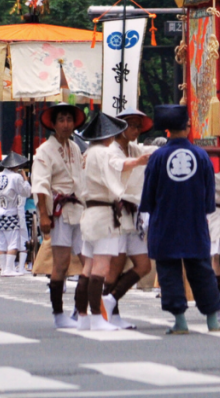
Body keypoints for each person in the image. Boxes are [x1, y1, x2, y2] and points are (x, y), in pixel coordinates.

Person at [140, 104, 220, 335]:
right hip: (194, 222)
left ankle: (180, 321)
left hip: (165, 223)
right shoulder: (201, 155)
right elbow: (209, 195)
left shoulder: (157, 157)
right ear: (187, 127)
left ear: (167, 130)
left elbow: (148, 196)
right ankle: (212, 321)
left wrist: (150, 211)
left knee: (169, 270)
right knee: (202, 270)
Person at [76, 111, 142, 331]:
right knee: (100, 268)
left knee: (87, 268)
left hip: (89, 213)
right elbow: (115, 176)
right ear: (108, 136)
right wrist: (137, 165)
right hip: (103, 214)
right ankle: (96, 317)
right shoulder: (103, 153)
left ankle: (84, 317)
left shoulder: (86, 153)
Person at [31, 102, 87, 327]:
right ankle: (58, 314)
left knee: (90, 262)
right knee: (61, 265)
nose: (66, 125)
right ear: (53, 125)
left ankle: (79, 310)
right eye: (61, 120)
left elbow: (81, 181)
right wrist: (44, 215)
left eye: (69, 120)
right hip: (60, 212)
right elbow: (40, 185)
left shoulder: (75, 147)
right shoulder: (44, 151)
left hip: (80, 210)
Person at [103, 107, 154, 330]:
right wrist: (138, 162)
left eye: (137, 125)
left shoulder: (135, 148)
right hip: (117, 212)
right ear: (120, 127)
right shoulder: (111, 150)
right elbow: (118, 164)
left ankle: (110, 301)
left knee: (143, 265)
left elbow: (152, 151)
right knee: (115, 267)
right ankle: (109, 313)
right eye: (131, 124)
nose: (135, 129)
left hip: (134, 212)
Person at [0, 151, 31, 277]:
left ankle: (4, 268)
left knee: (1, 242)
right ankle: (9, 269)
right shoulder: (16, 177)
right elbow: (26, 192)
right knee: (13, 242)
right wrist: (26, 180)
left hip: (0, 211)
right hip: (11, 212)